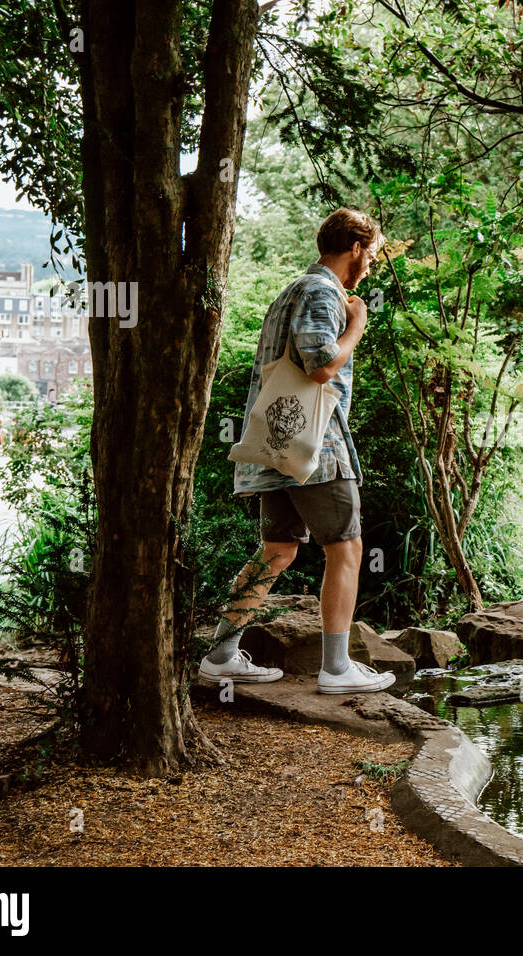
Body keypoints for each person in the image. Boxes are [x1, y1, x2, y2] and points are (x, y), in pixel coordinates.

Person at [199, 208, 392, 694]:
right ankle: (336, 669)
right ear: (354, 248)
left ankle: (221, 654)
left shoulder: (294, 290)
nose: (371, 262)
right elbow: (321, 364)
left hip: (280, 443)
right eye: (370, 252)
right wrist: (357, 325)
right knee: (346, 547)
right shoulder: (321, 292)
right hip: (316, 447)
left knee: (278, 550)